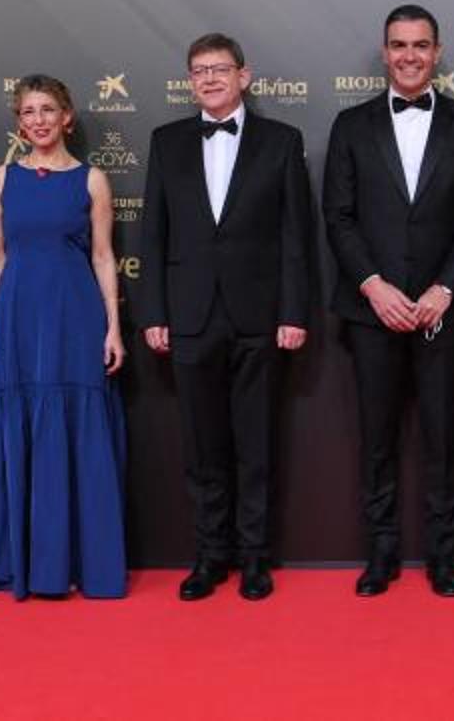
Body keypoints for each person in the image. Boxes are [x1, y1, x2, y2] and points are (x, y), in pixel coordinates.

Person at [323, 5, 454, 597]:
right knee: (377, 442)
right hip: (371, 310)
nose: (409, 56)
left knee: (443, 440)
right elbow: (338, 216)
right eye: (399, 45)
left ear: (437, 52)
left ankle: (443, 558)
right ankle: (382, 555)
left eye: (421, 45)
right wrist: (373, 285)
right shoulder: (351, 125)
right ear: (384, 52)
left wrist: (444, 288)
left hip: (442, 311)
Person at [140, 33, 312, 602]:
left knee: (255, 444)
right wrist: (154, 310)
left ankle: (255, 558)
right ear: (190, 81)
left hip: (258, 315)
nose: (210, 79)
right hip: (189, 315)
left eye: (219, 69)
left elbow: (296, 236)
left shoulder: (282, 142)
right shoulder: (165, 142)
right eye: (199, 71)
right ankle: (210, 557)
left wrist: (293, 310)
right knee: (202, 447)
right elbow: (154, 233)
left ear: (244, 76)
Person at [0, 74, 129, 599]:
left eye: (47, 110)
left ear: (67, 117)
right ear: (19, 122)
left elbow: (103, 257)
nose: (38, 120)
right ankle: (20, 562)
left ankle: (76, 561)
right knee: (20, 418)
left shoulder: (91, 180)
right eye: (28, 112)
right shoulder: (2, 179)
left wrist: (113, 327)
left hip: (74, 315)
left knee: (74, 422)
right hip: (17, 312)